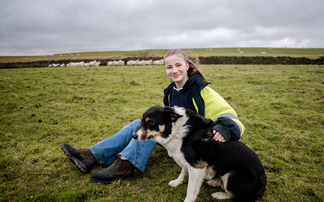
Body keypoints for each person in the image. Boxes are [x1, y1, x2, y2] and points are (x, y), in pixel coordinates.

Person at [61, 49, 245, 184]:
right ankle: (91, 155)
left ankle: (125, 165)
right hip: (177, 141)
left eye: (178, 65)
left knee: (151, 130)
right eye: (169, 67)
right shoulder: (170, 92)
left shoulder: (202, 91)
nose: (174, 70)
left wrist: (225, 127)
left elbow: (229, 114)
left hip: (194, 148)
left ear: (187, 66)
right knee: (140, 124)